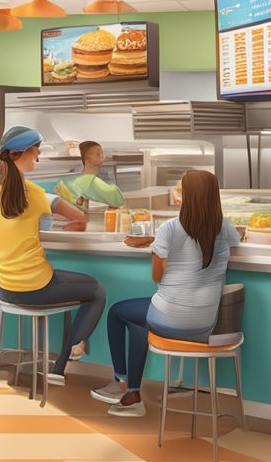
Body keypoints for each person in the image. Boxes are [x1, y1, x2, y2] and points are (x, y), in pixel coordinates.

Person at [93, 170, 240, 416]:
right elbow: (222, 241)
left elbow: (156, 277)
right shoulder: (226, 229)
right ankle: (132, 390)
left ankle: (123, 382)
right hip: (206, 323)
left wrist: (158, 249)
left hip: (170, 320)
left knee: (119, 312)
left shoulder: (170, 228)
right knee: (141, 320)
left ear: (187, 196)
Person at [0, 126, 106, 384]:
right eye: (36, 151)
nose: (38, 157)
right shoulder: (34, 194)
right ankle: (74, 349)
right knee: (97, 291)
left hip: (7, 289)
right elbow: (80, 219)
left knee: (70, 289)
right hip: (38, 285)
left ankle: (59, 371)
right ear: (21, 153)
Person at [60, 140, 125, 208]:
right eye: (98, 154)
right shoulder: (93, 182)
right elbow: (118, 201)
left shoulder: (71, 182)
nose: (102, 157)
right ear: (86, 158)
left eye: (102, 154)